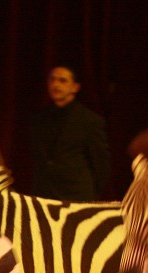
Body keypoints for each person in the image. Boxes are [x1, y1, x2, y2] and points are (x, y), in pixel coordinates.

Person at [30, 64, 110, 202]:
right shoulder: (39, 118)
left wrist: (92, 193)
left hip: (76, 196)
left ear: (75, 87)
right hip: (44, 195)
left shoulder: (90, 120)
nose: (55, 84)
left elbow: (101, 163)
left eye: (62, 80)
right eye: (52, 79)